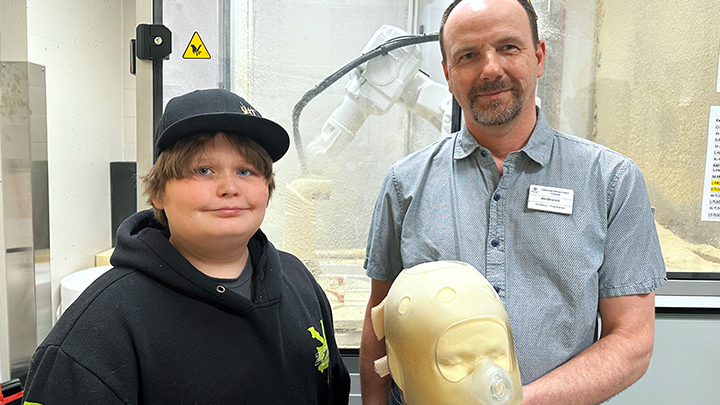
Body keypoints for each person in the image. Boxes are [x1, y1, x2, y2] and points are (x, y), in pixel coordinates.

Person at [359, 0, 667, 404]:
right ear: (448, 74)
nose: (490, 69)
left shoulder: (610, 182)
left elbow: (631, 340)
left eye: (508, 47)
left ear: (537, 57)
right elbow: (380, 323)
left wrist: (516, 402)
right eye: (468, 55)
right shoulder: (406, 183)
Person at [23, 88, 351, 405]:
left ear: (267, 188)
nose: (229, 187)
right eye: (204, 170)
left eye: (245, 170)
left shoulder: (298, 281)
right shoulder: (101, 328)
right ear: (158, 193)